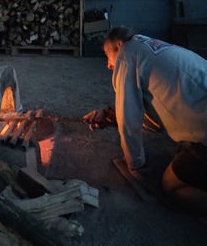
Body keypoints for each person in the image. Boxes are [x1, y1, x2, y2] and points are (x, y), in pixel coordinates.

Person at [84, 27, 207, 215]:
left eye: (108, 55)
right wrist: (108, 116)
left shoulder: (126, 55)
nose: (108, 65)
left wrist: (135, 163)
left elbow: (129, 120)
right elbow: (151, 118)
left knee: (170, 185)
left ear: (119, 45)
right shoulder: (145, 46)